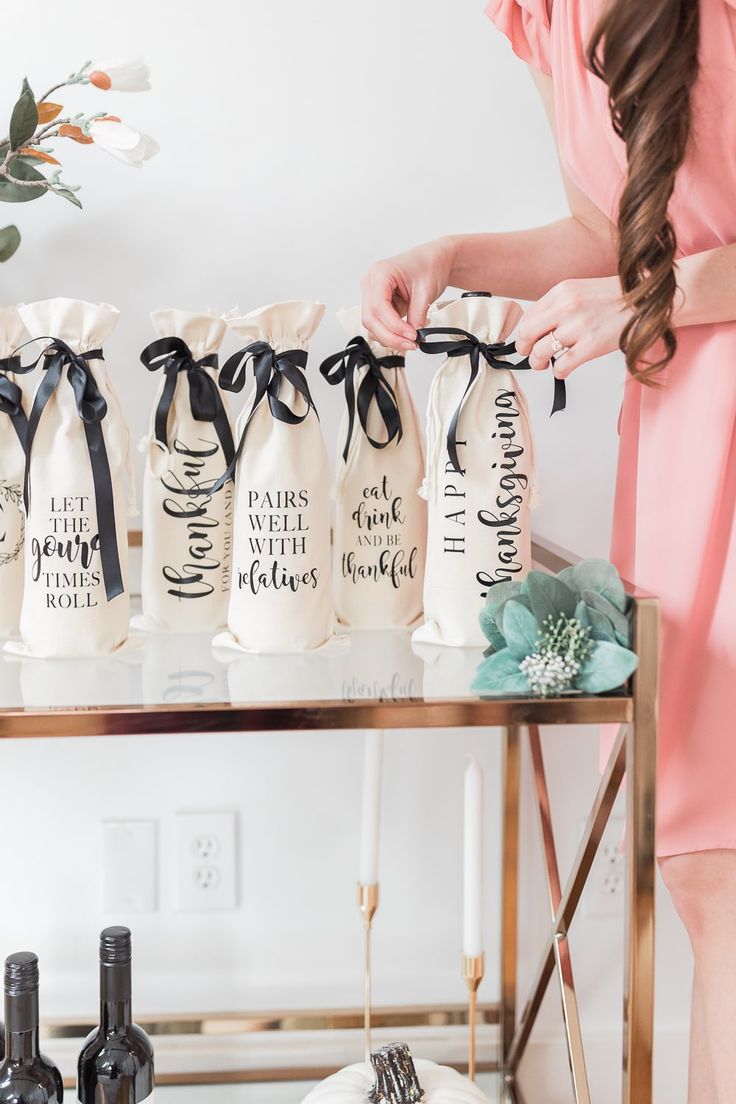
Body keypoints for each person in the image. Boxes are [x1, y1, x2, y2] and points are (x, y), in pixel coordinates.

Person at [360, 1, 736, 1099]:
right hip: (679, 450)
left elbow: (653, 274)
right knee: (707, 874)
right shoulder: (540, 17)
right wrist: (453, 256)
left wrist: (649, 298)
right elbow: (611, 234)